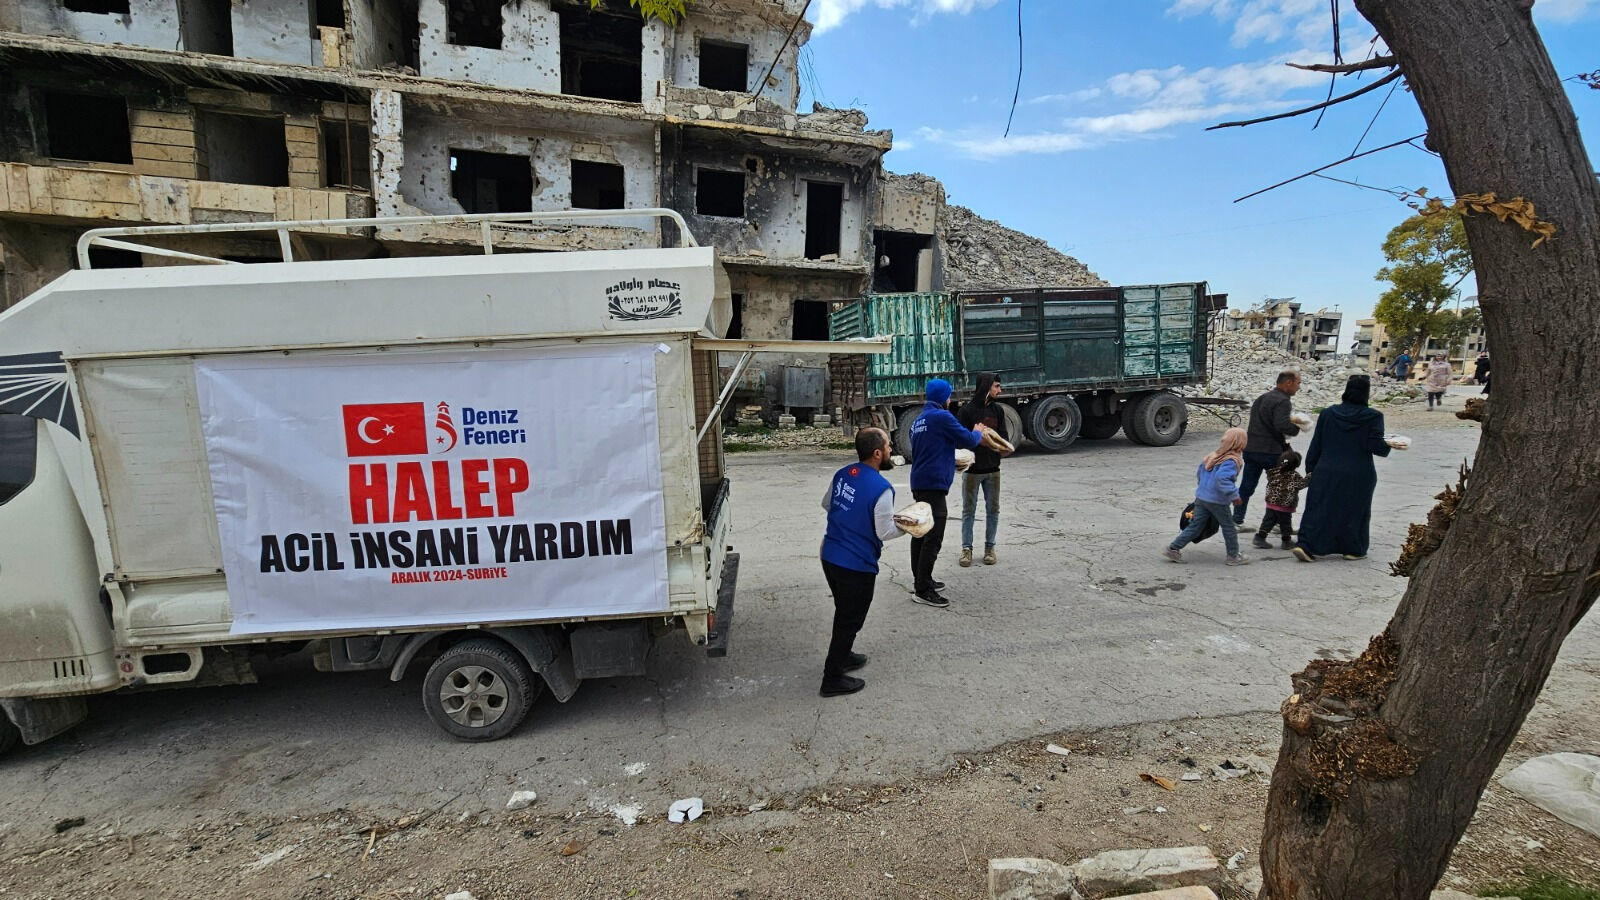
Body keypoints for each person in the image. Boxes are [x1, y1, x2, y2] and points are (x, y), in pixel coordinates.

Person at [818, 427, 906, 697]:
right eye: (889, 446)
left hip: (830, 555)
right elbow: (884, 531)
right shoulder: (882, 488)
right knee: (850, 618)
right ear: (877, 453)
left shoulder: (843, 473)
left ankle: (843, 656)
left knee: (845, 612)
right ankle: (832, 678)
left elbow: (827, 504)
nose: (891, 450)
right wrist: (910, 527)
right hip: (855, 565)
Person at [1293, 375, 1392, 562]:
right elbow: (1376, 447)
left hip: (1327, 468)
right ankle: (1353, 549)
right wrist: (1389, 444)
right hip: (1358, 471)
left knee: (1319, 507)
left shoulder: (1328, 414)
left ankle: (1306, 545)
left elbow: (1317, 444)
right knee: (1355, 510)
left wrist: (1311, 468)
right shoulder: (1374, 416)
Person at [908, 378, 987, 608]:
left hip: (920, 482)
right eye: (949, 396)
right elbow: (968, 440)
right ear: (944, 398)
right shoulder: (942, 417)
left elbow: (932, 450)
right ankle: (923, 589)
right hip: (933, 485)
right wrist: (978, 432)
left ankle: (921, 579)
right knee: (933, 536)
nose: (950, 400)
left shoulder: (919, 420)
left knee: (920, 532)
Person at [1164, 427, 1250, 566]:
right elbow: (1222, 479)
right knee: (1229, 527)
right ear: (1241, 443)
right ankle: (1233, 556)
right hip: (1217, 500)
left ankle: (1173, 548)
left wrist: (1203, 489)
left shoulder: (1213, 456)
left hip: (1202, 497)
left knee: (1196, 525)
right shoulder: (1231, 460)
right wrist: (1234, 496)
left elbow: (1200, 473)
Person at [1234, 371, 1302, 526]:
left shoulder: (1262, 398)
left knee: (1247, 486)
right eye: (1298, 383)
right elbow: (1281, 425)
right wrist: (1298, 426)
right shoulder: (1283, 401)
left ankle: (1237, 519)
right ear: (1288, 383)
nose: (1299, 387)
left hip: (1251, 449)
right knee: (1279, 487)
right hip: (1271, 451)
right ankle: (1277, 523)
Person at [957, 372, 1009, 568]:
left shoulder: (998, 411)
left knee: (993, 510)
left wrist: (1002, 448)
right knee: (968, 511)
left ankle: (989, 548)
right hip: (971, 471)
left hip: (993, 470)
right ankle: (966, 549)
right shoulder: (966, 412)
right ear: (987, 387)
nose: (999, 390)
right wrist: (979, 438)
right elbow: (962, 441)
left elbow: (1003, 437)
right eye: (996, 386)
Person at [1252, 449, 1308, 550]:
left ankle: (1260, 537)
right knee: (1285, 522)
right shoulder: (1294, 476)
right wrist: (1309, 478)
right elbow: (1301, 484)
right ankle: (1286, 541)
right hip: (1284, 505)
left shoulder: (1275, 472)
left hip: (1271, 503)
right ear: (1296, 465)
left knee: (1268, 520)